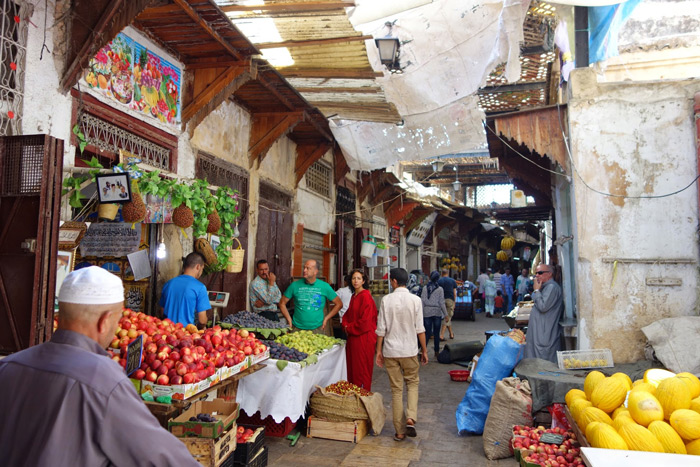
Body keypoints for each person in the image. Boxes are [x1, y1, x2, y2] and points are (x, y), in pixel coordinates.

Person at [0, 266, 200, 466]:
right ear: (105, 322)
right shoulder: (103, 380)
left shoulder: (8, 366)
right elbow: (159, 456)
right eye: (117, 318)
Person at [376, 268, 428, 442]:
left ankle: (399, 432)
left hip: (391, 351)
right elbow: (420, 328)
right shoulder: (416, 300)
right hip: (410, 351)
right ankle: (411, 417)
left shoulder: (386, 300)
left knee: (396, 391)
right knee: (412, 384)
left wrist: (378, 351)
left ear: (394, 282)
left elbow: (381, 329)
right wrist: (425, 350)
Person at [279, 259, 342, 332]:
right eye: (304, 267)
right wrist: (289, 320)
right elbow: (282, 303)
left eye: (308, 268)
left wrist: (327, 318)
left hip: (317, 329)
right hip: (297, 328)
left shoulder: (325, 286)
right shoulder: (294, 285)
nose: (304, 270)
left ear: (316, 271)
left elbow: (339, 304)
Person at [342, 269, 378, 391]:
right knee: (353, 367)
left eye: (358, 278)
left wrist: (349, 327)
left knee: (361, 368)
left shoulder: (366, 297)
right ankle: (354, 394)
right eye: (353, 278)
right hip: (354, 336)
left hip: (364, 337)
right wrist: (346, 325)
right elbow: (347, 315)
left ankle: (362, 394)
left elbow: (365, 321)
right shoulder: (354, 296)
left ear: (363, 281)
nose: (355, 281)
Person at [524, 264, 564, 363]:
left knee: (544, 362)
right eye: (536, 273)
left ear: (549, 274)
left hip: (545, 334)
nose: (537, 275)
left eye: (540, 273)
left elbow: (543, 306)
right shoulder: (546, 287)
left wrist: (536, 290)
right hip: (540, 333)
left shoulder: (552, 287)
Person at [159, 252, 210, 327]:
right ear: (198, 267)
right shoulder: (200, 287)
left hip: (168, 331)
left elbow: (162, 312)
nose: (201, 272)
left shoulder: (168, 284)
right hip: (185, 334)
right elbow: (202, 320)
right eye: (202, 269)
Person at [420, 271, 447, 357]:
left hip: (426, 312)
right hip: (437, 312)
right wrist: (446, 314)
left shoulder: (425, 288)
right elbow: (442, 302)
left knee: (427, 333)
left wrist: (420, 312)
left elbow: (422, 301)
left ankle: (423, 350)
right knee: (436, 333)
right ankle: (436, 351)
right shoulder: (440, 289)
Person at [438, 269, 457, 341]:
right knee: (447, 317)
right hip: (450, 300)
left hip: (441, 300)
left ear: (442, 274)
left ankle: (451, 334)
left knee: (448, 317)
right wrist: (454, 303)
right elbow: (455, 293)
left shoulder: (439, 281)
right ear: (448, 273)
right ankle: (442, 335)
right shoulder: (452, 281)